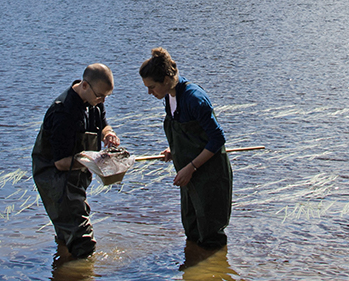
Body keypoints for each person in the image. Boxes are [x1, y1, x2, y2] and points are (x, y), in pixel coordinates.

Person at [139, 48, 232, 249]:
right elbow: (191, 135)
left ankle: (213, 276)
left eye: (152, 87)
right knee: (192, 229)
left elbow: (217, 139)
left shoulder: (194, 99)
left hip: (210, 176)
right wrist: (175, 150)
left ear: (165, 79)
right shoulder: (170, 96)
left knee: (210, 234)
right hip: (190, 176)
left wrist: (190, 167)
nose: (149, 92)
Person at [32, 63, 120, 258]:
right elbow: (61, 162)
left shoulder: (94, 101)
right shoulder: (63, 113)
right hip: (55, 179)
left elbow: (102, 124)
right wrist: (97, 161)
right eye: (100, 96)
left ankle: (64, 265)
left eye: (106, 97)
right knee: (83, 241)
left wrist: (108, 134)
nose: (102, 100)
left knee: (67, 234)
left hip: (76, 176)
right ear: (85, 85)